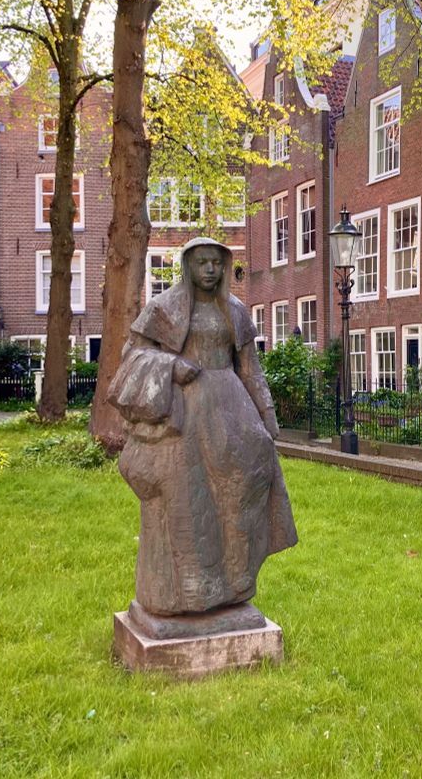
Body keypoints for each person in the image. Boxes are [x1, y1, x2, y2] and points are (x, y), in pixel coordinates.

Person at [108, 236, 298, 619]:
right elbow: (133, 354)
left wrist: (268, 417)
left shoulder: (236, 311)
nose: (210, 270)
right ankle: (191, 590)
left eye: (216, 263)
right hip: (186, 417)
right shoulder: (163, 309)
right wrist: (171, 367)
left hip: (232, 412)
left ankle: (236, 584)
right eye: (202, 263)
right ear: (187, 267)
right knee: (191, 504)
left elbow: (250, 368)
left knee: (240, 495)